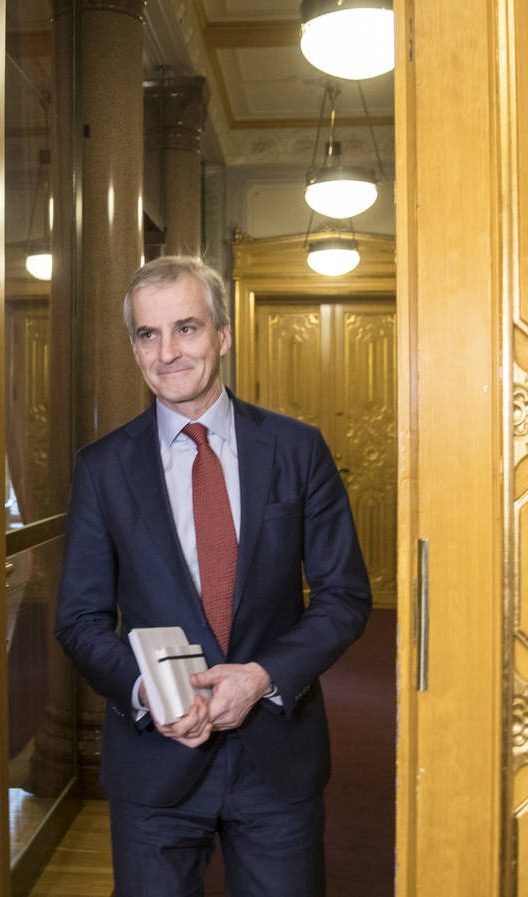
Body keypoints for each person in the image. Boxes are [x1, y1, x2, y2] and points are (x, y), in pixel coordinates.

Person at [54, 255, 372, 897]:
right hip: (155, 764)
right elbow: (80, 620)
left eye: (187, 328)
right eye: (149, 334)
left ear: (222, 337)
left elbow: (343, 597)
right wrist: (148, 694)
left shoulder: (296, 448)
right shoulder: (102, 468)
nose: (167, 352)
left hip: (277, 756)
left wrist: (261, 678)